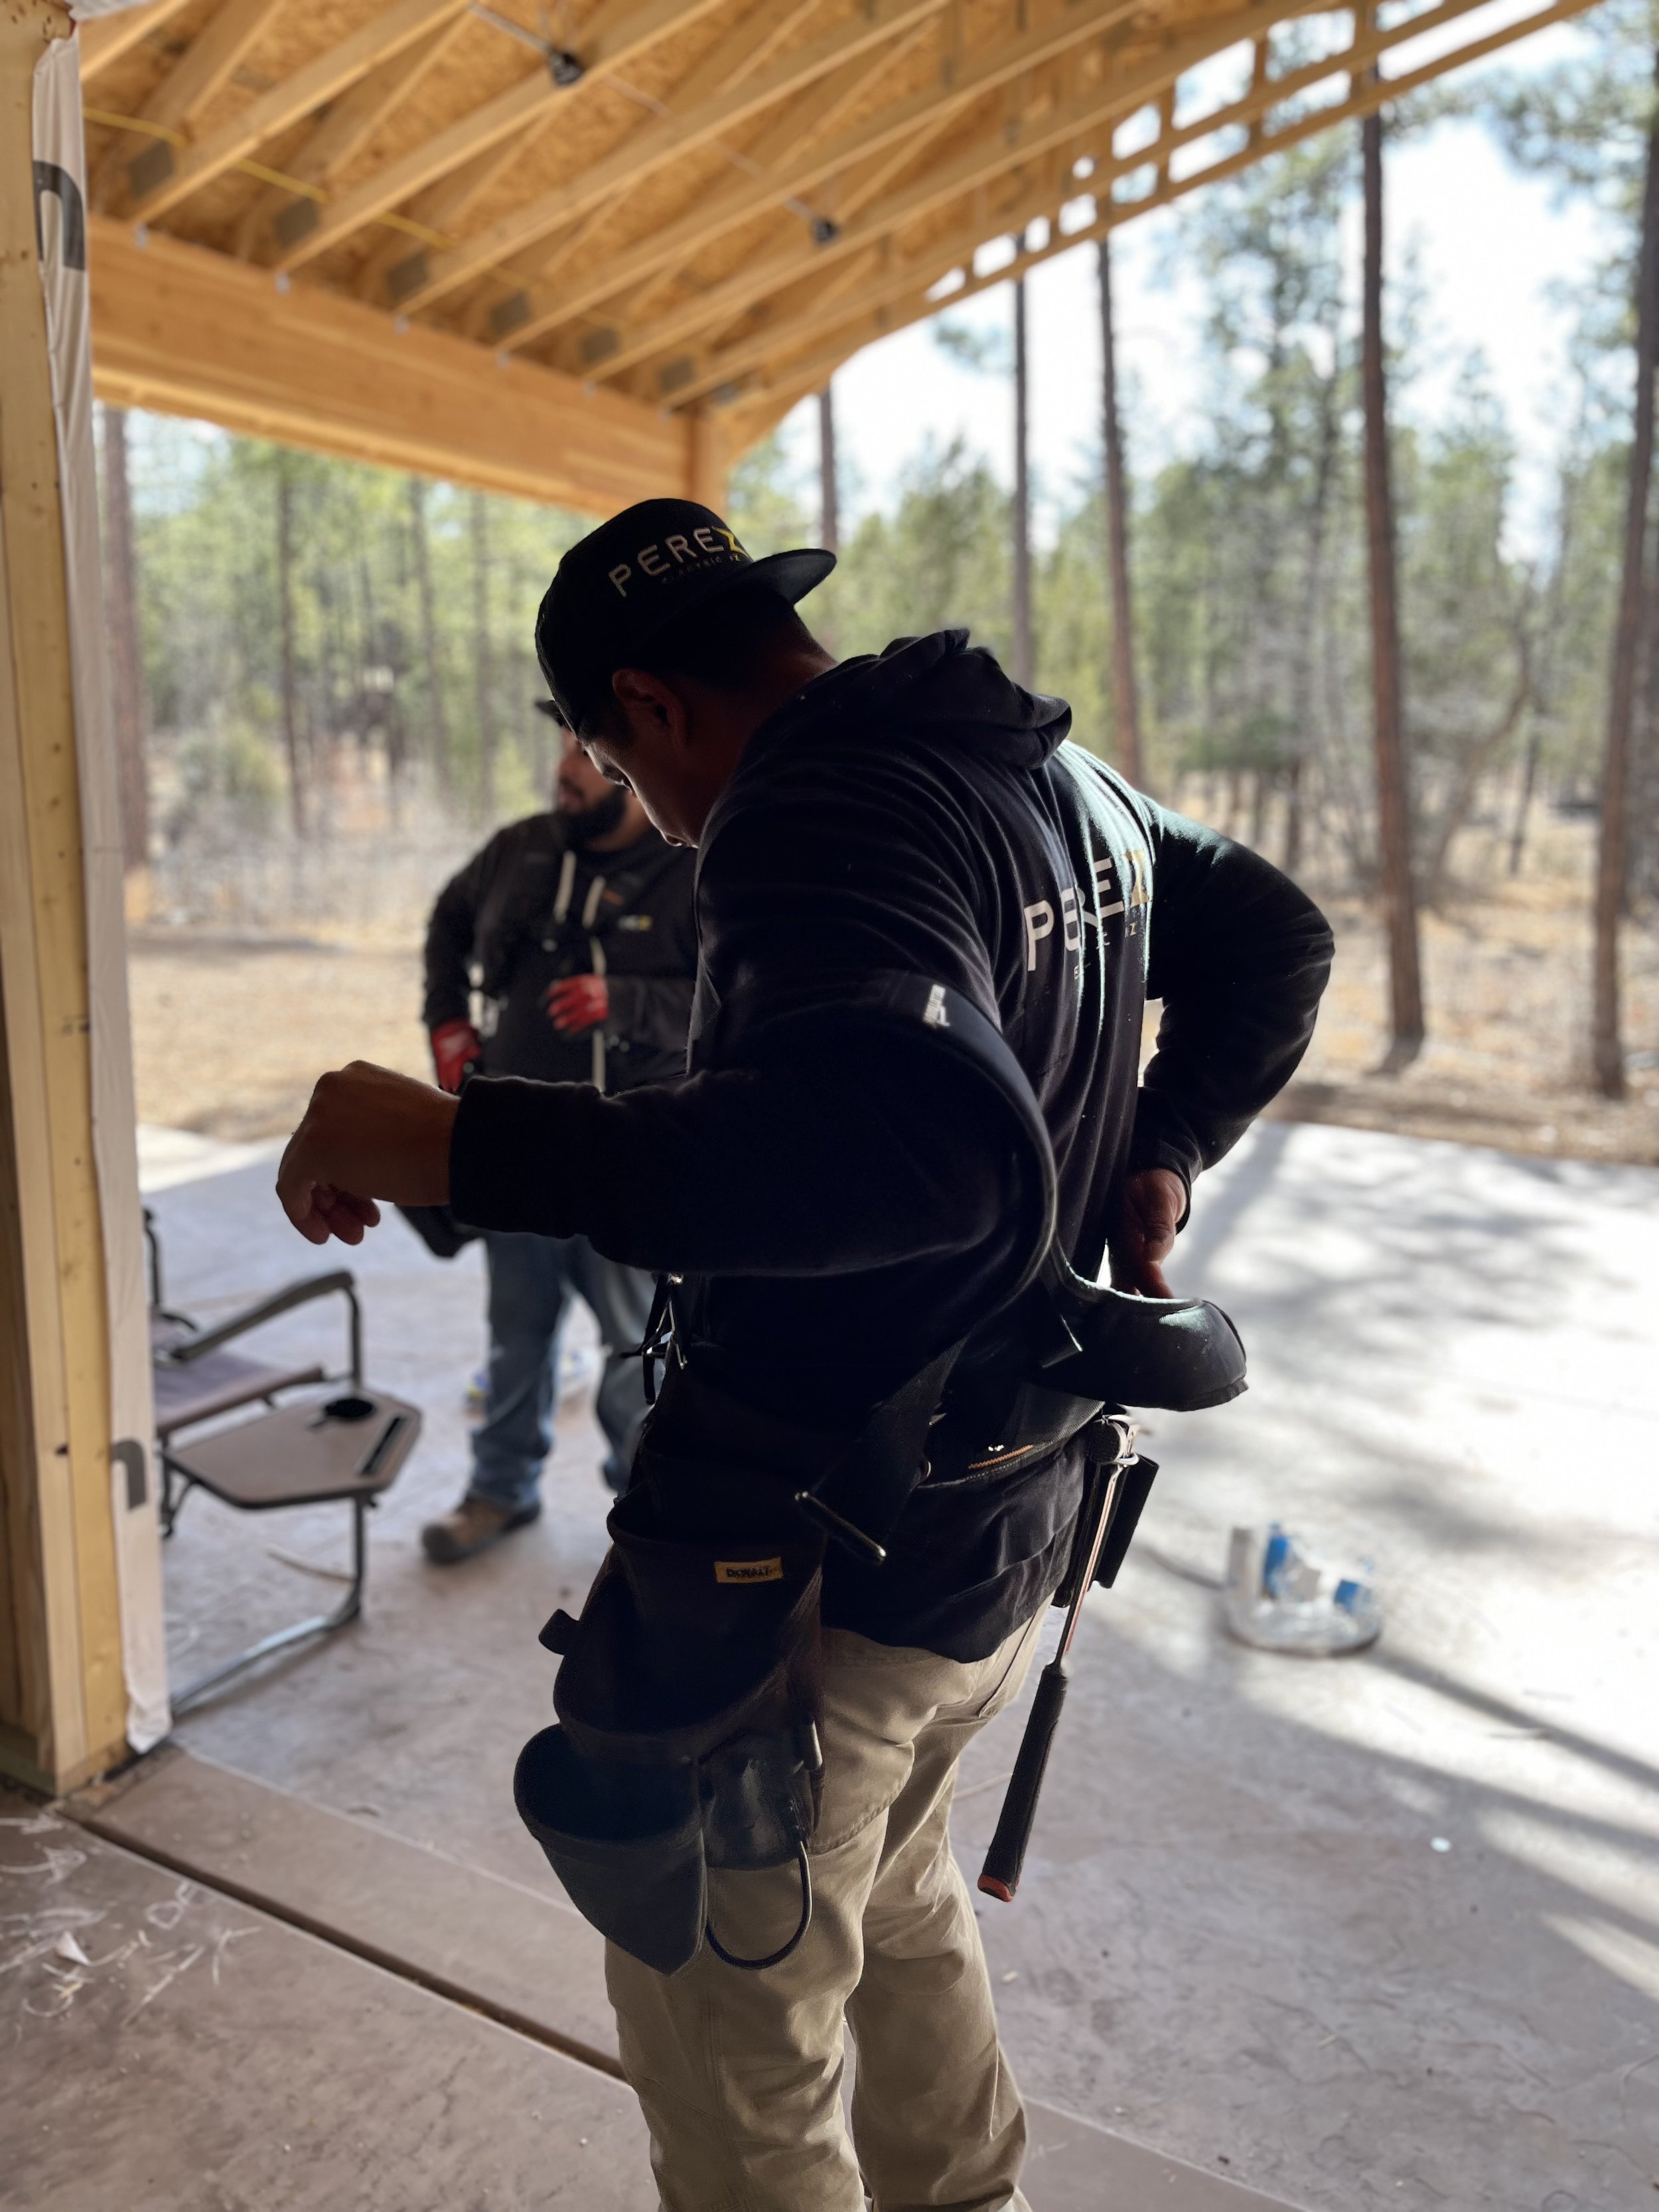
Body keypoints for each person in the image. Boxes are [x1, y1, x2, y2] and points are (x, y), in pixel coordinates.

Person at [277, 497, 1334, 2212]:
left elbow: (886, 1158)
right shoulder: (1039, 777)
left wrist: (456, 1144)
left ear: (651, 705)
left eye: (625, 765)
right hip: (999, 1524)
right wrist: (1160, 1135)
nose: (655, 814)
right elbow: (1271, 933)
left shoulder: (811, 809)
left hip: (831, 1553)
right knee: (899, 1885)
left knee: (729, 2026)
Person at [418, 717, 696, 1564]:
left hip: (621, 1159)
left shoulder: (690, 868)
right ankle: (500, 1492)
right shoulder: (520, 849)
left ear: (626, 768)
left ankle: (649, 1517)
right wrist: (447, 1019)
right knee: (516, 1333)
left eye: (583, 755)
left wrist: (627, 1003)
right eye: (566, 751)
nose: (564, 771)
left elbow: (734, 1005)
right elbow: (448, 921)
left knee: (630, 1350)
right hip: (511, 1147)